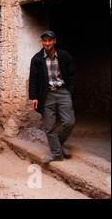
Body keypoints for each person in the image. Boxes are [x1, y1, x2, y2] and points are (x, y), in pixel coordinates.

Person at [29, 30, 77, 164]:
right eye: (44, 40)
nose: (47, 43)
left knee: (69, 122)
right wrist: (34, 97)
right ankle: (56, 153)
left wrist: (70, 90)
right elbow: (33, 79)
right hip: (46, 95)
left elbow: (72, 74)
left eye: (50, 40)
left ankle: (59, 144)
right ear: (42, 42)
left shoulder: (64, 56)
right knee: (49, 126)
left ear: (54, 41)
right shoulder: (37, 59)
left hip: (63, 92)